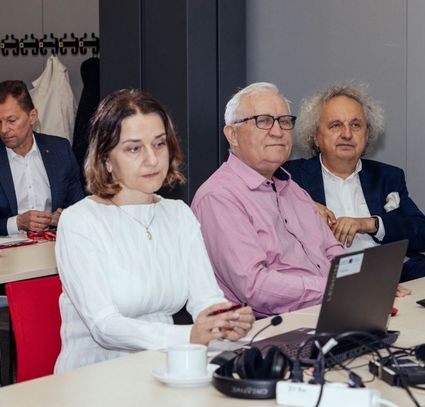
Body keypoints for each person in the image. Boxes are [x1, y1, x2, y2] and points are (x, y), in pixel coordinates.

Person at [54, 89, 254, 373]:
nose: (152, 159)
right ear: (106, 159)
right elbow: (104, 326)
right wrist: (189, 336)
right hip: (95, 375)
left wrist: (225, 320)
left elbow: (206, 299)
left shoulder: (178, 214)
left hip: (167, 366)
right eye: (134, 148)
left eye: (159, 144)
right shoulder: (79, 221)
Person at [193, 82, 366, 318]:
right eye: (263, 121)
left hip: (331, 311)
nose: (278, 131)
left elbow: (331, 250)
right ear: (233, 134)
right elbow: (255, 287)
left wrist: (366, 283)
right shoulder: (219, 197)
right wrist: (337, 289)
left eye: (284, 121)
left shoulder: (292, 189)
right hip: (269, 328)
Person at [283, 83, 425, 282]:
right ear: (315, 136)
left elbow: (424, 235)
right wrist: (304, 206)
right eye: (335, 125)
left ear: (367, 134)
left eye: (356, 125)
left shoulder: (387, 176)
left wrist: (371, 223)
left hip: (388, 273)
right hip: (327, 277)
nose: (347, 134)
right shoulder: (290, 177)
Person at [0, 80, 84, 236]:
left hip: (53, 243)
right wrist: (17, 223)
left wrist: (66, 217)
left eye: (11, 121)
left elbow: (78, 206)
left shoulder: (60, 150)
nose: (3, 129)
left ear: (32, 116)